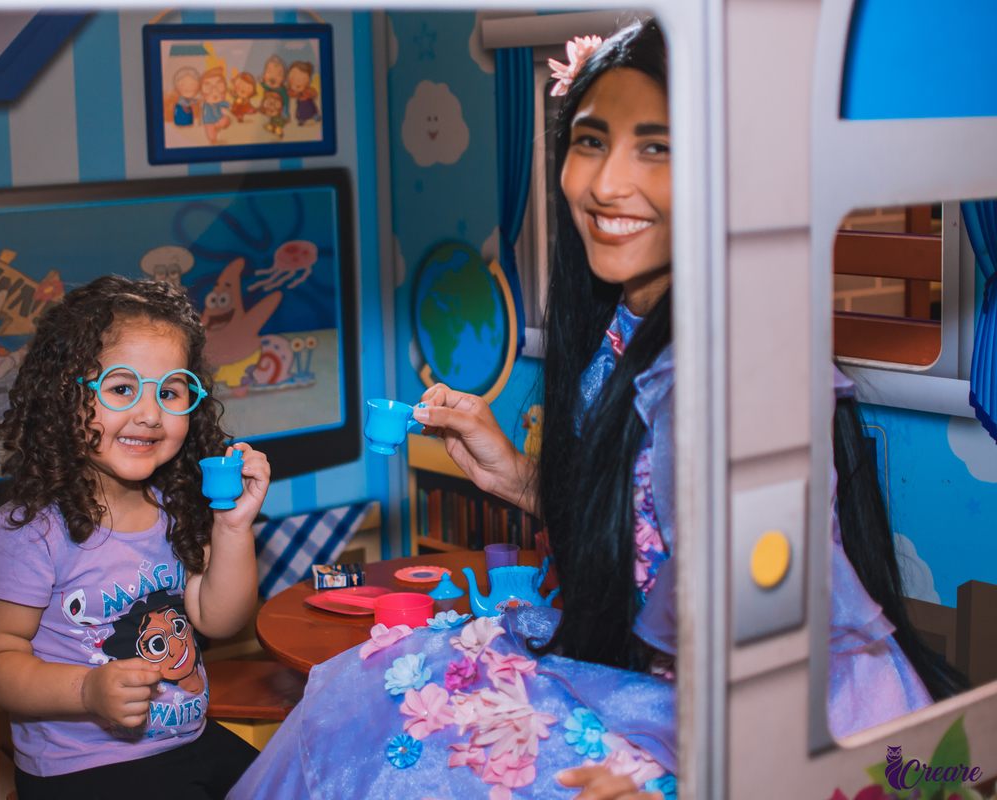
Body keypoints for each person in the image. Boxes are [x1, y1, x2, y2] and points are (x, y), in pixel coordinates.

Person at [229, 18, 965, 800]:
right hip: (665, 692)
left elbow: (774, 641)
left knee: (397, 711)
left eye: (658, 146)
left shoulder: (733, 372)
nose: (608, 184)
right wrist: (517, 476)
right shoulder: (631, 327)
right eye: (590, 140)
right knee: (389, 684)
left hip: (769, 732)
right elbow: (649, 529)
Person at [0, 276, 270, 800]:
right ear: (64, 396)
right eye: (120, 388)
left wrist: (232, 526)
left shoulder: (178, 503)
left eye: (170, 391)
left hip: (187, 741)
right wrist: (87, 690)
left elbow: (220, 620)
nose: (150, 414)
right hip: (82, 767)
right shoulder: (25, 533)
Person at [200, 68, 232, 145]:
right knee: (211, 131)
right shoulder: (207, 106)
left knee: (225, 120)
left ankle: (218, 127)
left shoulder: (216, 102)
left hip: (219, 117)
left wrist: (228, 106)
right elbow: (208, 115)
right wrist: (215, 123)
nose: (214, 91)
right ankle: (213, 139)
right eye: (208, 88)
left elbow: (222, 103)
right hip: (209, 121)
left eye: (219, 86)